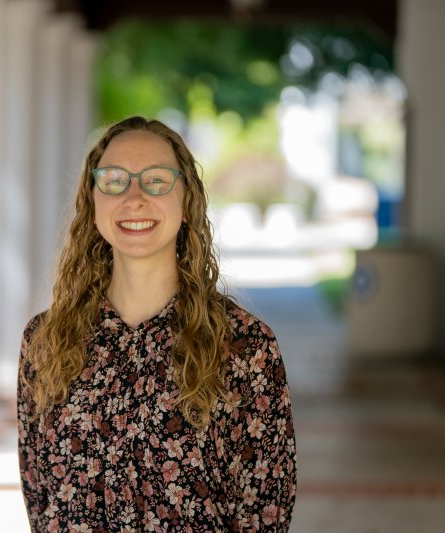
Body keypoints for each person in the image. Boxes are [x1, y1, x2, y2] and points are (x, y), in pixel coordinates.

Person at [17, 116, 297, 532]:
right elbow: (39, 502)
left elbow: (265, 511)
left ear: (186, 201)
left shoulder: (245, 348)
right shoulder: (45, 343)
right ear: (92, 200)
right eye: (113, 180)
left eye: (157, 180)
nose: (134, 198)